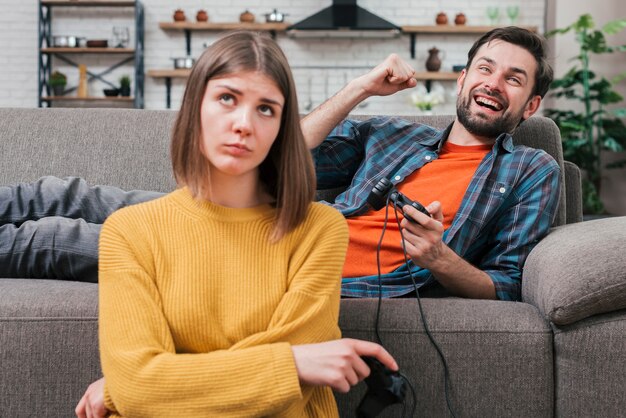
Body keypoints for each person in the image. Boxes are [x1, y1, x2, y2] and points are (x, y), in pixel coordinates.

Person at [0, 26, 559, 414]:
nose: (493, 82)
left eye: (514, 78)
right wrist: (362, 89)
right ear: (462, 78)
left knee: (53, 241)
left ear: (531, 105)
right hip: (247, 214)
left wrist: (440, 259)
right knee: (63, 194)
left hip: (303, 263)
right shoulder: (398, 136)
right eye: (484, 67)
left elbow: (506, 287)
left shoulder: (532, 169)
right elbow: (281, 155)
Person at [75, 31, 397, 418]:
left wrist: (162, 382)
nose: (244, 124)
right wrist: (292, 364)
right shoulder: (129, 231)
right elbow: (137, 386)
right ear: (196, 106)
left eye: (266, 109)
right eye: (227, 98)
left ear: (281, 128)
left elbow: (143, 388)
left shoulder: (319, 228)